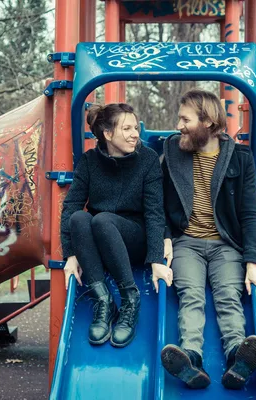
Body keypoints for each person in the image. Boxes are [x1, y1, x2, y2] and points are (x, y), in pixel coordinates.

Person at [160, 89, 256, 389]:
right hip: (187, 242)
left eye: (185, 119)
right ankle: (190, 357)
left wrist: (253, 261)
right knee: (190, 296)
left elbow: (249, 213)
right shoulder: (173, 153)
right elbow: (156, 204)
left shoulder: (239, 158)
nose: (179, 125)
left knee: (229, 296)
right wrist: (166, 238)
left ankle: (238, 357)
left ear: (207, 122)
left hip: (225, 245)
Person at [60, 103, 173, 348]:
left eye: (135, 127)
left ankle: (130, 300)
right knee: (79, 218)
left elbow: (155, 211)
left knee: (101, 219)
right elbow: (71, 206)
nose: (135, 134)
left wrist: (156, 259)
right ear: (107, 134)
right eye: (127, 129)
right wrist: (70, 254)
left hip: (134, 236)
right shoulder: (90, 161)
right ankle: (103, 301)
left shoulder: (148, 159)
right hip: (100, 239)